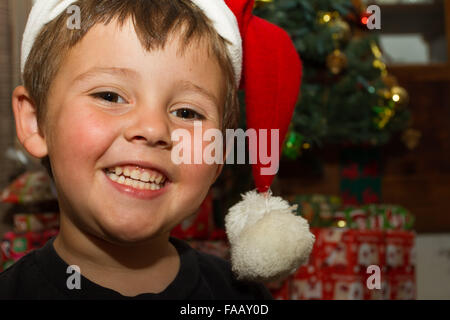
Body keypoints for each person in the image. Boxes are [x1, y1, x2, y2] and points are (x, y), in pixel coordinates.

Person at [0, 0, 312, 299]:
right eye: (110, 96)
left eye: (187, 113)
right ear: (35, 122)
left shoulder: (240, 297)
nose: (153, 130)